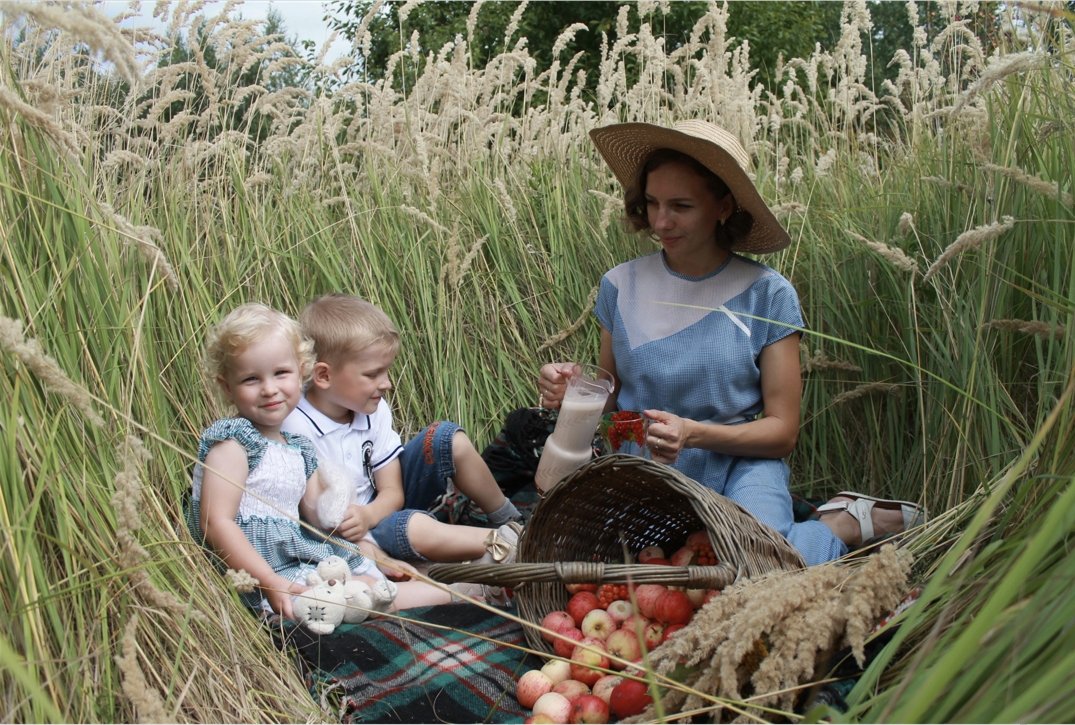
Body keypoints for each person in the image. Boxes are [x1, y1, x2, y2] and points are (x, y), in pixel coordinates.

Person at [537, 120, 924, 566]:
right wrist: (572, 391)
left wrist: (694, 434)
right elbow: (614, 398)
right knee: (599, 566)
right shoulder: (619, 285)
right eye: (652, 203)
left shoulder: (768, 293)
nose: (661, 222)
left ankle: (839, 525)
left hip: (740, 462)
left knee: (762, 568)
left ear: (723, 205)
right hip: (643, 473)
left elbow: (782, 431)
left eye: (681, 206)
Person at [189, 303, 488, 621]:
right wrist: (270, 581)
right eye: (251, 379)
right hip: (257, 572)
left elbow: (322, 526)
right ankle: (468, 591)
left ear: (301, 370)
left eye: (281, 373)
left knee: (369, 585)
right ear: (226, 386)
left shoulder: (297, 448)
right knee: (357, 596)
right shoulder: (234, 443)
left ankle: (468, 586)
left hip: (296, 559)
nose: (269, 389)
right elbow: (215, 523)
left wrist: (378, 557)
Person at [282, 293, 522, 588]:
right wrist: (371, 548)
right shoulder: (295, 428)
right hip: (352, 536)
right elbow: (314, 523)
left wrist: (369, 513)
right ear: (323, 376)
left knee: (447, 437)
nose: (386, 383)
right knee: (416, 527)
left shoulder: (372, 409)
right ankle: (510, 548)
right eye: (373, 374)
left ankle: (509, 518)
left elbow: (393, 490)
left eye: (387, 370)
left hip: (378, 508)